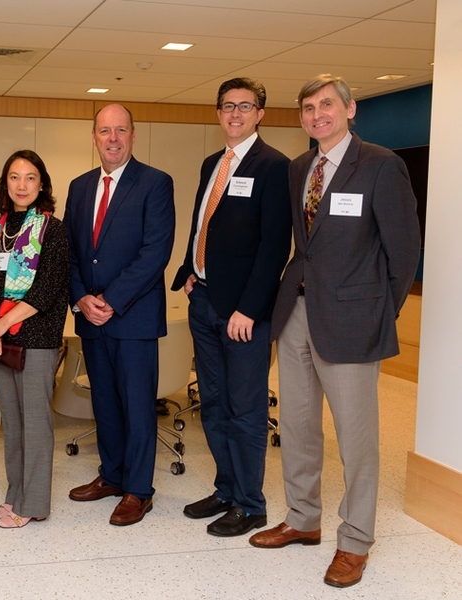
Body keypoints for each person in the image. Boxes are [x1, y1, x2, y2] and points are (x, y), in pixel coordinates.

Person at [249, 75, 420, 588]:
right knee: (298, 427)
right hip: (296, 313)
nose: (316, 114)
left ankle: (355, 541)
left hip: (352, 320)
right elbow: (306, 244)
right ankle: (302, 520)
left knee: (357, 439)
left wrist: (378, 313)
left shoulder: (382, 166)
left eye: (326, 105)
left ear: (350, 110)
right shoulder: (301, 167)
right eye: (307, 108)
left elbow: (404, 251)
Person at [171, 78, 292, 537]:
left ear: (260, 113)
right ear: (218, 112)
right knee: (213, 404)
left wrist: (249, 308)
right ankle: (225, 489)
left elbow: (274, 246)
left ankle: (251, 504)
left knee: (245, 410)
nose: (235, 113)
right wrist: (187, 268)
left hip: (242, 314)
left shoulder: (274, 166)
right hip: (203, 300)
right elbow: (203, 222)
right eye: (227, 106)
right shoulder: (212, 163)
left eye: (245, 106)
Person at [64, 104, 175, 526]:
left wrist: (110, 299)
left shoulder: (155, 183)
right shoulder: (79, 187)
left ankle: (138, 490)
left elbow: (155, 253)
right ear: (94, 137)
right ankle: (111, 475)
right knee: (105, 403)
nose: (112, 138)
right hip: (91, 319)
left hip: (133, 317)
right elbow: (71, 252)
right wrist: (81, 298)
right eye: (104, 131)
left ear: (133, 135)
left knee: (137, 406)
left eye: (120, 130)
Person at [0, 150, 69, 528]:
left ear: (42, 183)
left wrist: (0, 325)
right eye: (14, 177)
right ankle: (15, 493)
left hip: (36, 335)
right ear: (5, 183)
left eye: (30, 177)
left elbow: (47, 289)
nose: (22, 185)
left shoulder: (54, 229)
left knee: (34, 422)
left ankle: (33, 504)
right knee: (11, 422)